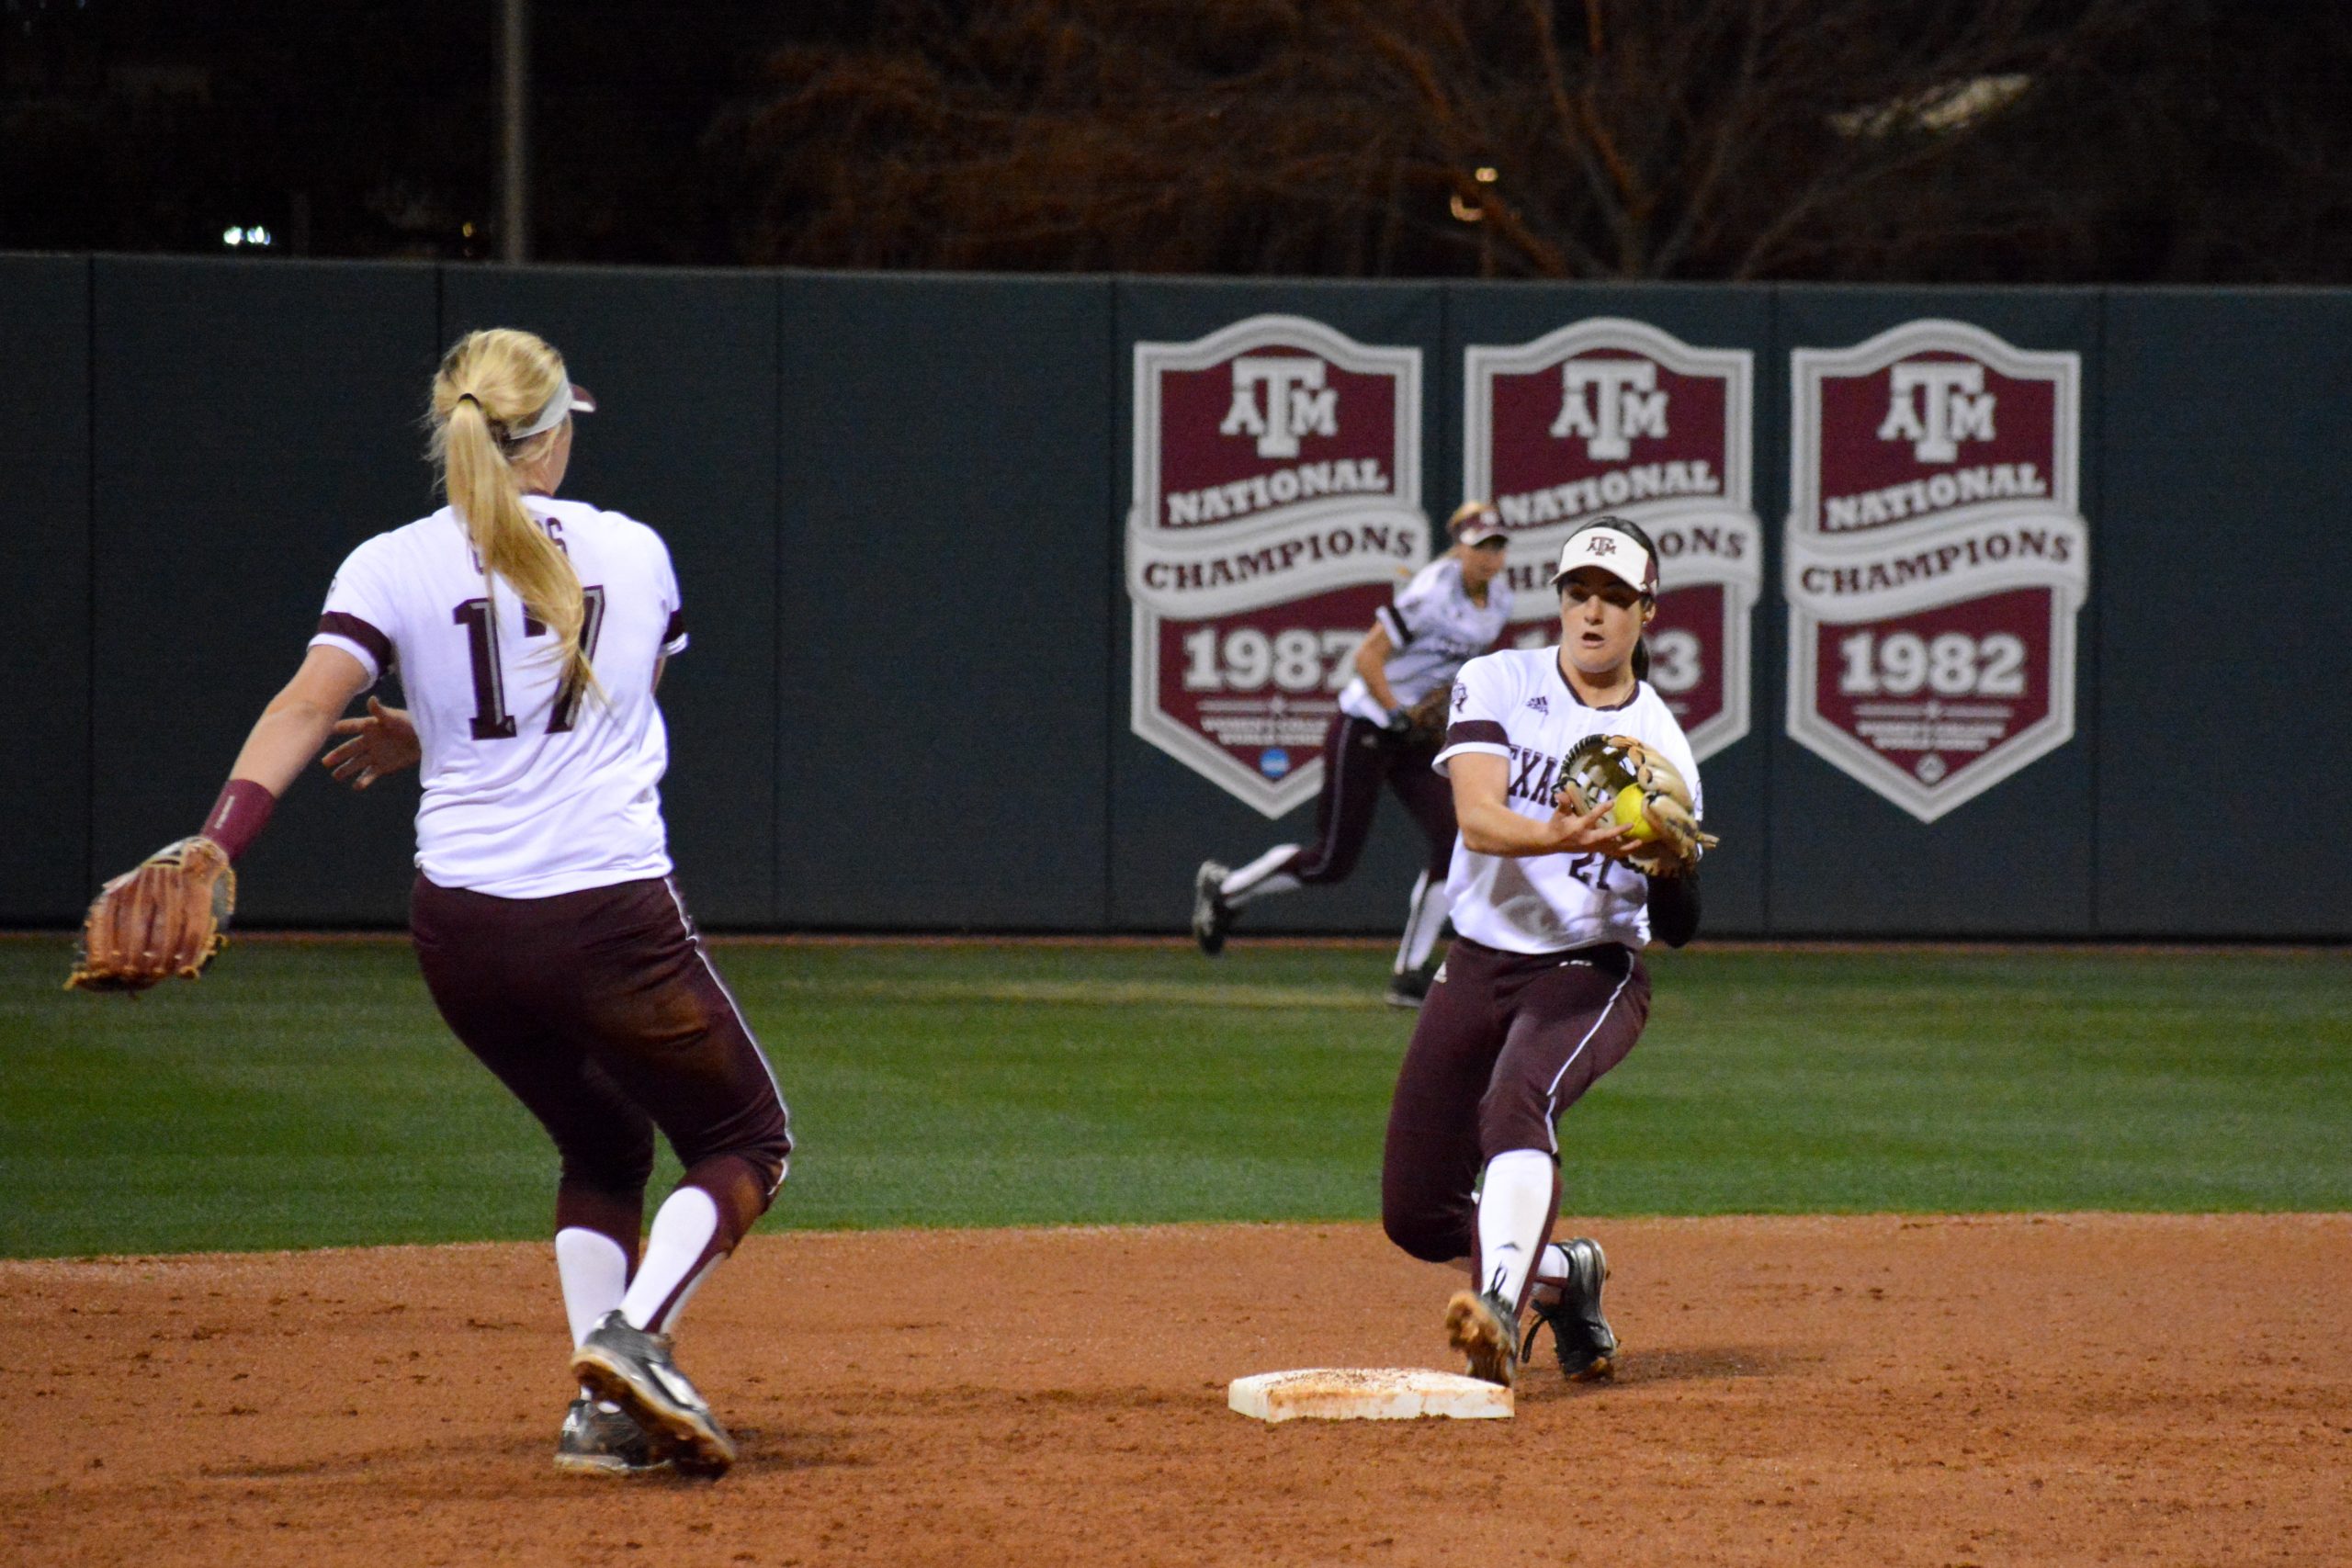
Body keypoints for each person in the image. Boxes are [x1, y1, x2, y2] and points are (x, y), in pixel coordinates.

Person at [144, 328, 791, 1478]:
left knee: (600, 1142)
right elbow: (617, 706)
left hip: (463, 937)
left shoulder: (388, 561)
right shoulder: (631, 548)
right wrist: (448, 724)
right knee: (745, 1139)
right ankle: (632, 1342)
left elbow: (304, 706)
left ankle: (601, 1419)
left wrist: (218, 837)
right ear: (547, 437)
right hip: (607, 916)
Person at [1378, 513, 1704, 1391]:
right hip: (1480, 960)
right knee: (1414, 1211)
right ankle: (1566, 1276)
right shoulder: (1497, 678)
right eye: (1578, 594)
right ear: (1559, 601)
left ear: (1648, 612)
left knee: (1517, 1100)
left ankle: (1496, 1304)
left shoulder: (1663, 749)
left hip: (1589, 968)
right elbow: (1477, 820)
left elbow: (1678, 926)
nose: (1593, 613)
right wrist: (1552, 832)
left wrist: (1668, 866)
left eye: (1615, 598)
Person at [1192, 501, 1514, 1007]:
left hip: (1412, 734)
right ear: (1459, 548)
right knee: (1331, 862)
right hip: (1367, 722)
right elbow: (1367, 656)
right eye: (1479, 548)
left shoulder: (1499, 601)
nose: (1489, 558)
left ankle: (1409, 972)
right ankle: (1226, 891)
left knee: (1456, 841)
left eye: (1497, 547)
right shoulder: (1432, 590)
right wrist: (1396, 712)